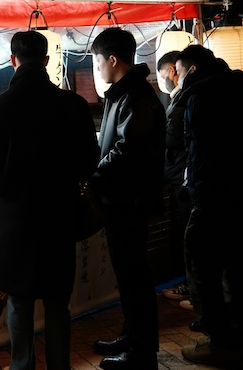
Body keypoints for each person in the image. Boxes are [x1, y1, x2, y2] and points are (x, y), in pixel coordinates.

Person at [0, 30, 99, 370]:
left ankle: (21, 366)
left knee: (19, 303)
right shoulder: (73, 105)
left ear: (13, 61)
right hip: (59, 217)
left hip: (16, 225)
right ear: (47, 60)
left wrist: (6, 200)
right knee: (58, 303)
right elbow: (90, 161)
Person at [173, 44, 243, 366]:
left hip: (212, 197)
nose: (177, 79)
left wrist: (197, 191)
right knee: (235, 266)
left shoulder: (200, 97)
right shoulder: (242, 89)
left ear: (192, 70)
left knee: (201, 267)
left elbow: (203, 153)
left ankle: (219, 340)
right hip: (242, 194)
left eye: (179, 72)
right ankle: (239, 331)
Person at [89, 27, 165, 370]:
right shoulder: (124, 93)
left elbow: (126, 151)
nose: (98, 68)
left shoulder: (135, 96)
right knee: (128, 275)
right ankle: (131, 334)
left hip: (129, 201)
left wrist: (94, 176)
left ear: (113, 60)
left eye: (98, 61)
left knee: (135, 277)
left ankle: (142, 352)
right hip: (121, 199)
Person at [156, 50, 192, 306]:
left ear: (172, 69)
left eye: (162, 74)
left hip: (184, 177)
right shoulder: (180, 99)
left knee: (191, 236)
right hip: (182, 175)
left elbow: (174, 138)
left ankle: (194, 289)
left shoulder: (183, 100)